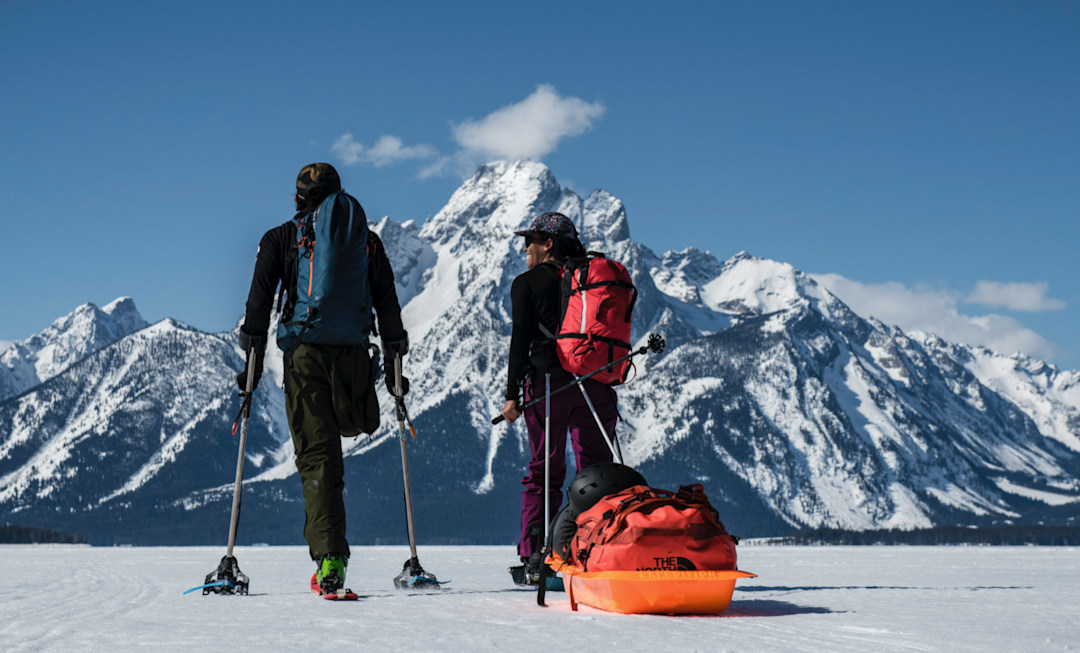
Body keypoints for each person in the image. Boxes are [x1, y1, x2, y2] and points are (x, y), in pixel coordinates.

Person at [237, 162, 409, 596]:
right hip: (353, 354)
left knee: (318, 455)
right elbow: (387, 304)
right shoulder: (366, 242)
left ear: (297, 199)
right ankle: (336, 550)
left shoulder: (280, 238)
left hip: (306, 353)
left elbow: (258, 303)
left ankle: (331, 559)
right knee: (342, 435)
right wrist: (394, 359)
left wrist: (251, 363)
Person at [501, 211, 619, 584]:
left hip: (548, 386)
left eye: (530, 241)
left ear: (548, 244)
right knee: (599, 472)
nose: (524, 249)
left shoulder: (527, 283)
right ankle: (599, 551)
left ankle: (537, 558)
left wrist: (511, 396)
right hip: (595, 383)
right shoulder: (591, 280)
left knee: (543, 473)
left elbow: (519, 342)